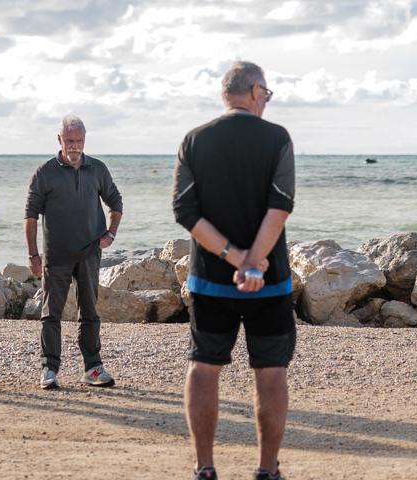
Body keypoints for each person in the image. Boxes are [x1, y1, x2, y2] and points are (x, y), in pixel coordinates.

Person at [173, 61, 296, 480]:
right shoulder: (277, 138)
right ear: (257, 91)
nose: (268, 101)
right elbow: (279, 206)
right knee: (271, 371)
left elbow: (185, 212)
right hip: (270, 279)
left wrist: (233, 257)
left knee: (204, 366)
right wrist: (254, 262)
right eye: (269, 94)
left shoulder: (194, 140)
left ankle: (205, 467)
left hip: (210, 277)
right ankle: (266, 470)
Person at [24, 114, 123, 390]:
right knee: (50, 313)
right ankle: (49, 369)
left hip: (90, 252)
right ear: (60, 140)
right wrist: (33, 254)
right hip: (56, 255)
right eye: (69, 140)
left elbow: (115, 202)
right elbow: (30, 216)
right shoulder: (44, 173)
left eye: (79, 141)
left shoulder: (97, 169)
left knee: (90, 310)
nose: (75, 146)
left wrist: (111, 233)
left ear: (84, 141)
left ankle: (92, 367)